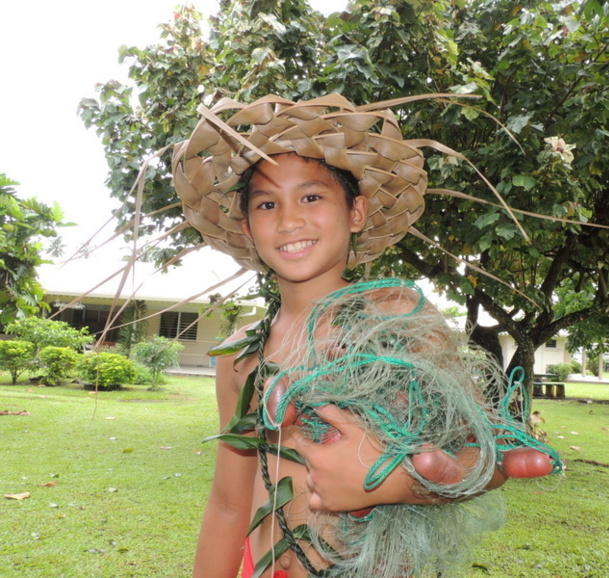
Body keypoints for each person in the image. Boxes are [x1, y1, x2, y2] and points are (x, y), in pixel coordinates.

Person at [172, 94, 560, 578]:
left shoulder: (399, 317)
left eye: (311, 197)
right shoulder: (239, 352)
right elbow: (229, 504)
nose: (290, 220)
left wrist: (398, 482)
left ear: (356, 213)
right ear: (248, 228)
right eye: (267, 204)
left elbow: (486, 455)